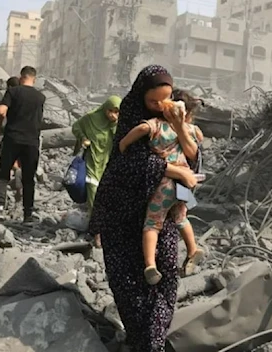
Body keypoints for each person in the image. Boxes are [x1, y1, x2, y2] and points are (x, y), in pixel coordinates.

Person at [88, 65, 200, 351]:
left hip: (161, 213)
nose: (160, 106)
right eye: (153, 102)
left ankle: (153, 340)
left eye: (166, 98)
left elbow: (194, 159)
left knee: (165, 278)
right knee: (129, 284)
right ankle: (144, 339)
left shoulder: (177, 119)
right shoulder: (131, 116)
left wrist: (177, 127)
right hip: (124, 215)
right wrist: (176, 171)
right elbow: (127, 160)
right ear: (141, 97)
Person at [118, 90, 204, 285]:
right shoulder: (190, 129)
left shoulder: (157, 126)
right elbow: (198, 140)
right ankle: (192, 248)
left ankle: (150, 264)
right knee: (181, 218)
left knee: (152, 223)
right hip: (185, 183)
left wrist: (124, 143)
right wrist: (186, 125)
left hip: (165, 183)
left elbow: (141, 130)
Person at [0, 66, 46, 224]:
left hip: (12, 139)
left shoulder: (13, 92)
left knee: (3, 175)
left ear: (21, 77)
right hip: (32, 142)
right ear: (34, 78)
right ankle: (28, 215)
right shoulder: (40, 97)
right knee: (28, 179)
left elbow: (1, 111)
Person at [71, 95, 121, 247]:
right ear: (105, 109)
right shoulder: (91, 119)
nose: (113, 114)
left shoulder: (118, 125)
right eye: (110, 111)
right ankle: (98, 233)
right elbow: (76, 127)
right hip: (92, 164)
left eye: (117, 112)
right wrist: (83, 138)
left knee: (107, 198)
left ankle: (106, 228)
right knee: (94, 197)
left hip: (107, 166)